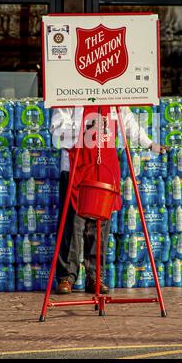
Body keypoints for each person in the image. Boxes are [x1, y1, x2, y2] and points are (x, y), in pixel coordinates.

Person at [50, 105, 163, 294]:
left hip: (104, 168)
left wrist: (150, 144)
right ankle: (66, 277)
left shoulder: (114, 96)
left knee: (100, 224)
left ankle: (95, 276)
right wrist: (85, 128)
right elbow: (57, 129)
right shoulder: (69, 93)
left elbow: (128, 123)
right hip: (75, 165)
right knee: (72, 224)